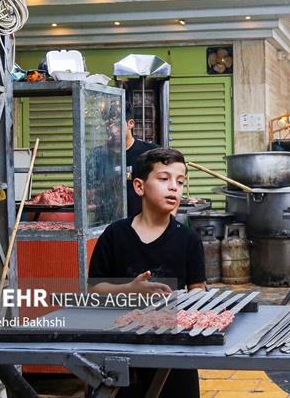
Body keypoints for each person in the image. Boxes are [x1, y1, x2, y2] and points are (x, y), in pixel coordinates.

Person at [88, 148, 206, 398]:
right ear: (139, 186)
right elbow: (94, 291)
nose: (174, 187)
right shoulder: (115, 235)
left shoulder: (188, 239)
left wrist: (189, 307)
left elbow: (197, 290)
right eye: (164, 179)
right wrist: (128, 290)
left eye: (180, 181)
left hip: (174, 354)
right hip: (120, 349)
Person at [125, 102, 159, 218]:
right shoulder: (100, 155)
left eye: (115, 124)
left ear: (130, 124)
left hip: (144, 222)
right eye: (107, 124)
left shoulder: (151, 152)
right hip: (107, 225)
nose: (111, 129)